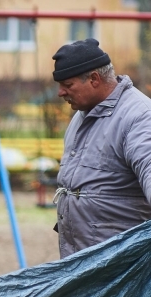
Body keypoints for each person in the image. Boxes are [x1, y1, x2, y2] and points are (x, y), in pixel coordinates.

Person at [52, 38, 151, 258]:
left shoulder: (139, 117)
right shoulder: (82, 115)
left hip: (121, 265)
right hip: (84, 260)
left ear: (94, 79)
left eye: (68, 85)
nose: (60, 93)